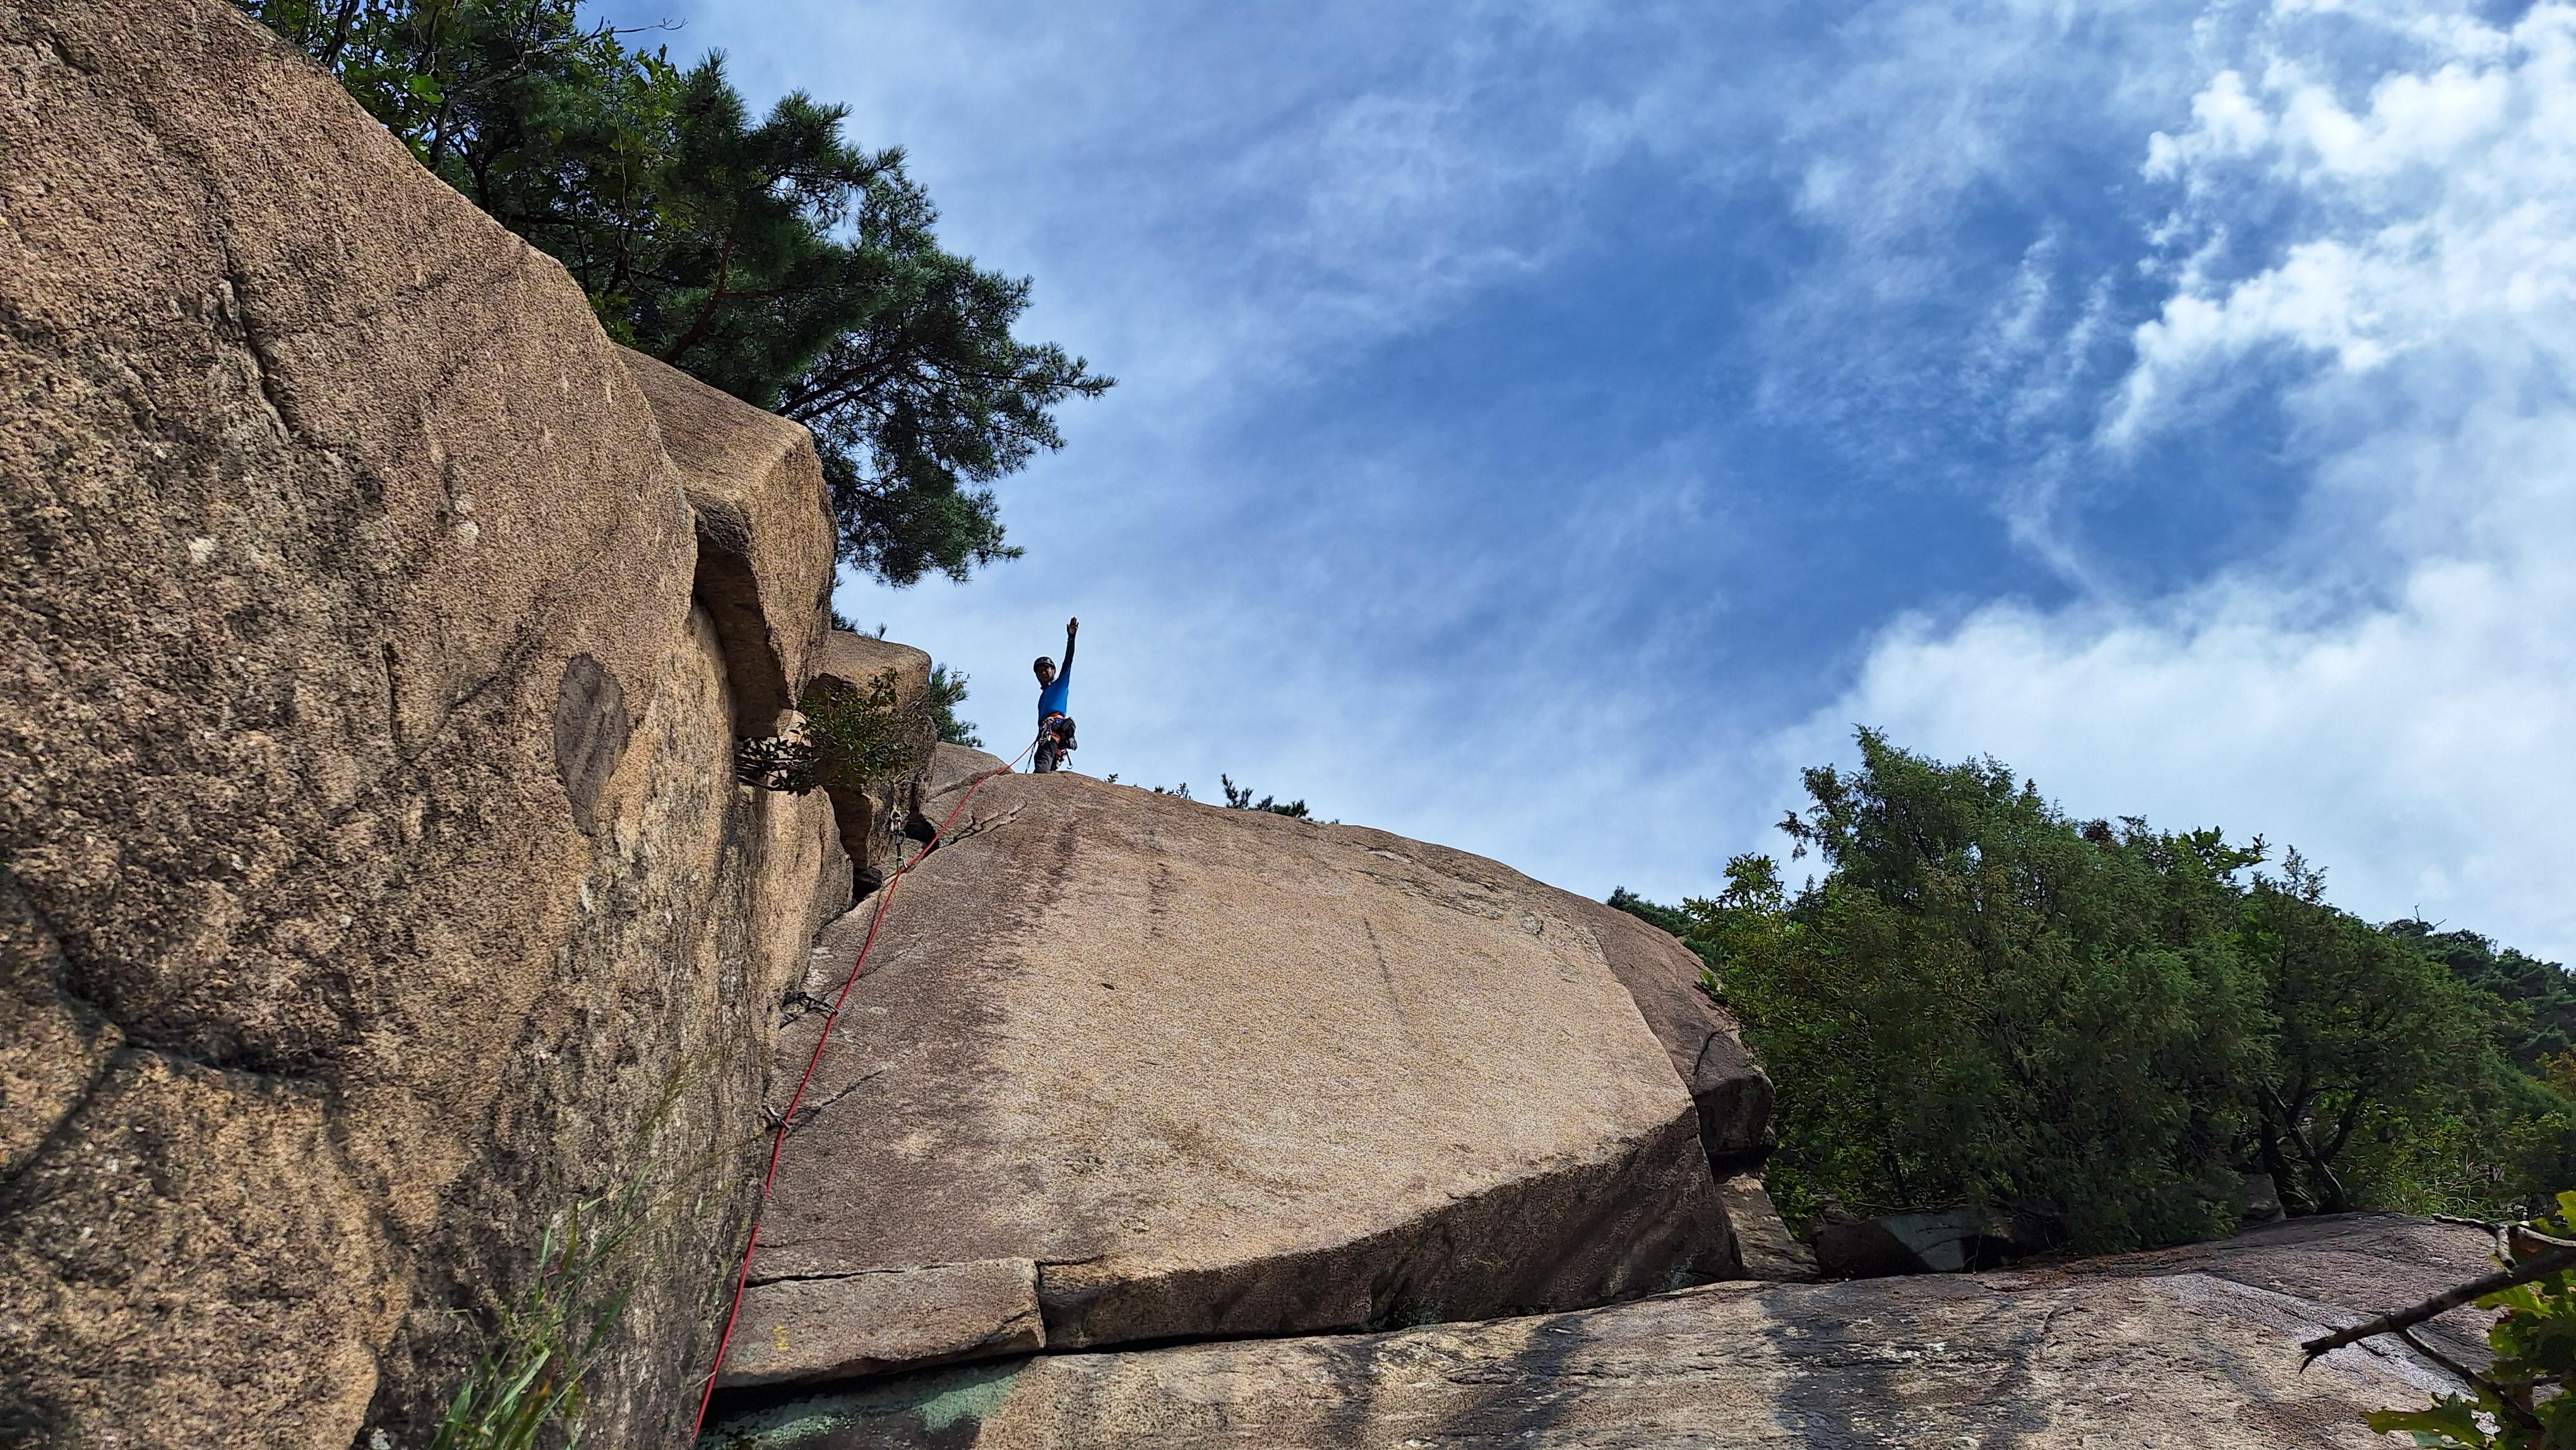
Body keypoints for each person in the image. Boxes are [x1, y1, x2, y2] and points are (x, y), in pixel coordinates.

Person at [1032, 616, 1078, 772]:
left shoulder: (1060, 684)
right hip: (1048, 732)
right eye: (1040, 671)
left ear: (1053, 671)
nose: (1043, 672)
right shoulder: (1044, 695)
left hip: (1053, 729)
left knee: (1041, 768)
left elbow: (1068, 662)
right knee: (1045, 765)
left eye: (1046, 669)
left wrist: (1071, 638)